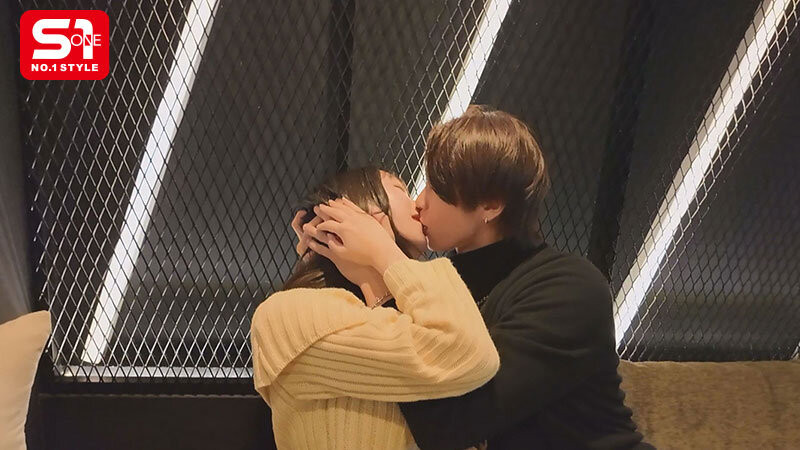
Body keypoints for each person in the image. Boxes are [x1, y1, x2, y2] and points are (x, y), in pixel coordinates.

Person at [298, 105, 650, 449]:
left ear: (490, 205)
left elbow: (449, 422)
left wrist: (381, 262)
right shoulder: (448, 282)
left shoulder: (568, 289)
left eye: (436, 188)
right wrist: (323, 255)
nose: (419, 202)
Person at [250, 167, 500, 450]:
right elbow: (463, 349)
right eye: (401, 190)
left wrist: (378, 265)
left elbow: (470, 357)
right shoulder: (288, 314)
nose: (418, 202)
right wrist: (381, 252)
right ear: (356, 210)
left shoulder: (409, 307)